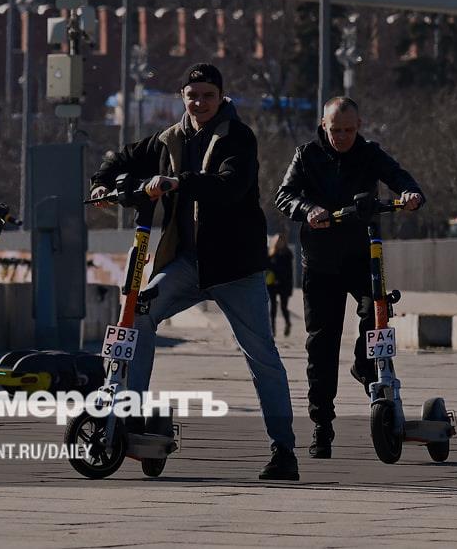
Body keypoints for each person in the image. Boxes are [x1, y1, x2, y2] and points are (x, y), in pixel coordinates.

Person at [89, 62, 299, 481]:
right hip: (187, 264)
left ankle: (283, 450)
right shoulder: (170, 138)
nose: (199, 103)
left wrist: (176, 181)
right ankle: (130, 415)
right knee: (139, 314)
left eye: (207, 96)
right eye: (192, 96)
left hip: (236, 267)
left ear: (220, 97)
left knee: (262, 357)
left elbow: (230, 185)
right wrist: (102, 181)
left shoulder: (238, 136)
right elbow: (124, 156)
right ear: (182, 97)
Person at [274, 96, 424, 459]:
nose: (341, 137)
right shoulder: (306, 155)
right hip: (320, 263)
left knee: (376, 317)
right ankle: (322, 425)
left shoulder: (369, 153)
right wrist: (307, 209)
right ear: (323, 125)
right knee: (321, 346)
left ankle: (364, 364)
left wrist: (410, 193)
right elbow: (284, 195)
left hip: (362, 257)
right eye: (335, 130)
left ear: (359, 126)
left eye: (348, 130)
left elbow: (398, 175)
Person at [267, 234, 294, 337]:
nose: (279, 242)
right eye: (278, 240)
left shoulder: (287, 254)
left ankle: (287, 323)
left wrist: (289, 287)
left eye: (281, 240)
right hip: (272, 285)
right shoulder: (270, 254)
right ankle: (272, 330)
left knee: (283, 307)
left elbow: (289, 272)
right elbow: (267, 269)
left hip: (284, 285)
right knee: (272, 308)